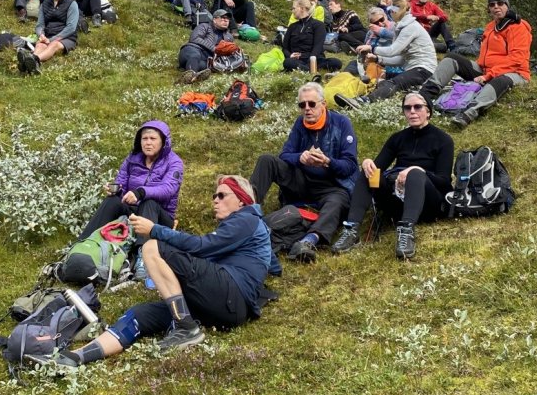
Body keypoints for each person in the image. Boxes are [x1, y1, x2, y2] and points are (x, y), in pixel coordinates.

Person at [56, 174, 272, 364]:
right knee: (140, 314)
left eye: (222, 195)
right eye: (214, 196)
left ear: (242, 200)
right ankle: (77, 357)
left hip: (230, 296)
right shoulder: (241, 227)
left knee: (152, 247)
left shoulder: (247, 219)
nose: (215, 200)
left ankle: (185, 326)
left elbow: (201, 247)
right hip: (218, 304)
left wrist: (155, 230)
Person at [331, 92, 454, 261]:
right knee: (369, 173)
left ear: (428, 112)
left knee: (416, 173)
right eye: (407, 108)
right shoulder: (398, 138)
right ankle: (352, 229)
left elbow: (445, 182)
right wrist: (368, 163)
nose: (412, 111)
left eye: (417, 107)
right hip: (396, 198)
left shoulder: (443, 140)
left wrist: (416, 170)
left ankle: (406, 231)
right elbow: (378, 167)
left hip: (427, 202)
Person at [250, 82, 359, 262]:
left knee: (337, 202)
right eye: (302, 105)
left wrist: (328, 162)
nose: (307, 109)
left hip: (332, 186)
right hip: (303, 180)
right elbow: (285, 154)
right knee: (266, 160)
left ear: (323, 104)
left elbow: (350, 166)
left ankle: (309, 241)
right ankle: (247, 213)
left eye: (312, 104)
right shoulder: (300, 123)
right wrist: (300, 157)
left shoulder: (342, 123)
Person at [418, 0, 532, 127]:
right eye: (492, 4)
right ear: (489, 9)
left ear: (507, 6)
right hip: (485, 69)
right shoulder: (490, 27)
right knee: (451, 58)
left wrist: (489, 76)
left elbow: (517, 60)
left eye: (500, 3)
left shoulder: (518, 27)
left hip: (516, 73)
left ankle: (468, 113)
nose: (496, 6)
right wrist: (482, 71)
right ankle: (423, 96)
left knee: (499, 80)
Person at [76, 121, 184, 240]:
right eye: (144, 138)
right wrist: (116, 190)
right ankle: (84, 241)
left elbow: (168, 189)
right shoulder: (132, 158)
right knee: (112, 200)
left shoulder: (174, 162)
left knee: (149, 203)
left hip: (160, 216)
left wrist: (140, 193)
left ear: (163, 141)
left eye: (153, 138)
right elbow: (121, 182)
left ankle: (143, 252)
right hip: (133, 211)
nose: (148, 143)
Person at [355, 6, 437, 102]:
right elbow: (401, 59)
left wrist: (371, 48)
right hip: (413, 67)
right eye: (376, 22)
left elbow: (392, 51)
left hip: (423, 68)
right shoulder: (402, 27)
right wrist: (377, 59)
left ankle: (366, 101)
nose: (381, 23)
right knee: (385, 83)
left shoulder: (410, 27)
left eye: (382, 19)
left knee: (394, 83)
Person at [17, 0, 79, 74]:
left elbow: (71, 27)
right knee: (40, 44)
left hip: (66, 37)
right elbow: (40, 25)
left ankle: (34, 60)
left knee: (53, 45)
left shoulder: (71, 3)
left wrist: (51, 39)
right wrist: (41, 35)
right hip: (47, 35)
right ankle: (31, 62)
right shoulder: (45, 3)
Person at [282, 0, 337, 73]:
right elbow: (285, 48)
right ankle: (309, 70)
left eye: (294, 8)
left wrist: (310, 60)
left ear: (302, 8)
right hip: (297, 60)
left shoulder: (318, 25)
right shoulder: (292, 27)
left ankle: (306, 69)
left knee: (335, 62)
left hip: (314, 59)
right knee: (288, 62)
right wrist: (290, 55)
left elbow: (318, 47)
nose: (292, 11)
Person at [178, 8, 233, 82]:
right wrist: (214, 49)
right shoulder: (204, 26)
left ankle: (192, 76)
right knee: (195, 55)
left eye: (227, 19)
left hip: (208, 59)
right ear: (214, 20)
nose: (226, 20)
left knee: (205, 66)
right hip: (193, 49)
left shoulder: (229, 37)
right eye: (223, 18)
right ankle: (191, 75)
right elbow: (194, 38)